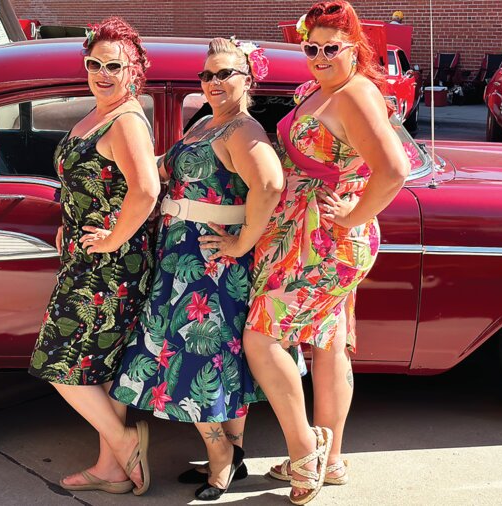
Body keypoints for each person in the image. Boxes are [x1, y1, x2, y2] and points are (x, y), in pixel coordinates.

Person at [243, 1, 410, 504]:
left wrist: (354, 216)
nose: (318, 56)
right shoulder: (321, 89)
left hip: (326, 238)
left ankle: (305, 451)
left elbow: (395, 170)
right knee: (328, 341)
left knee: (261, 338)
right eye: (310, 47)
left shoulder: (356, 93)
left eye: (330, 48)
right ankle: (332, 458)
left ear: (353, 48)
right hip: (304, 229)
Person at [110, 36, 284, 501]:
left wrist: (243, 239)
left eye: (224, 73)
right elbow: (164, 170)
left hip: (210, 266)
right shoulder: (208, 123)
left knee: (196, 358)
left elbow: (269, 183)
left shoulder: (243, 130)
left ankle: (222, 455)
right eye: (207, 75)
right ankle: (231, 453)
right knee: (222, 359)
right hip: (183, 259)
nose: (212, 82)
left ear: (248, 78)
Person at [27, 16, 160, 496]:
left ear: (133, 70)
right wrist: (72, 220)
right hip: (90, 257)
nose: (101, 73)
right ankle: (112, 469)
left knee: (58, 360)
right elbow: (97, 183)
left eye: (113, 65)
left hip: (110, 265)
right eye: (93, 63)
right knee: (101, 365)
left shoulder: (125, 121)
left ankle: (125, 443)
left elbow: (146, 190)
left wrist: (110, 238)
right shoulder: (101, 112)